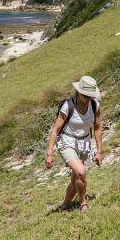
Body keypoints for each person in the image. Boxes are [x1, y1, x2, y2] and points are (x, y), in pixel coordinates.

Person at [45, 75, 103, 212]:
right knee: (81, 172)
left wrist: (99, 151)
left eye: (90, 96)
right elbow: (55, 130)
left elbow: (98, 129)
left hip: (84, 143)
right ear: (78, 92)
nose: (88, 99)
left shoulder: (95, 106)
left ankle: (65, 204)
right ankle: (83, 202)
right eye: (85, 96)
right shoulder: (68, 106)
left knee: (76, 178)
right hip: (66, 141)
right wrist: (49, 153)